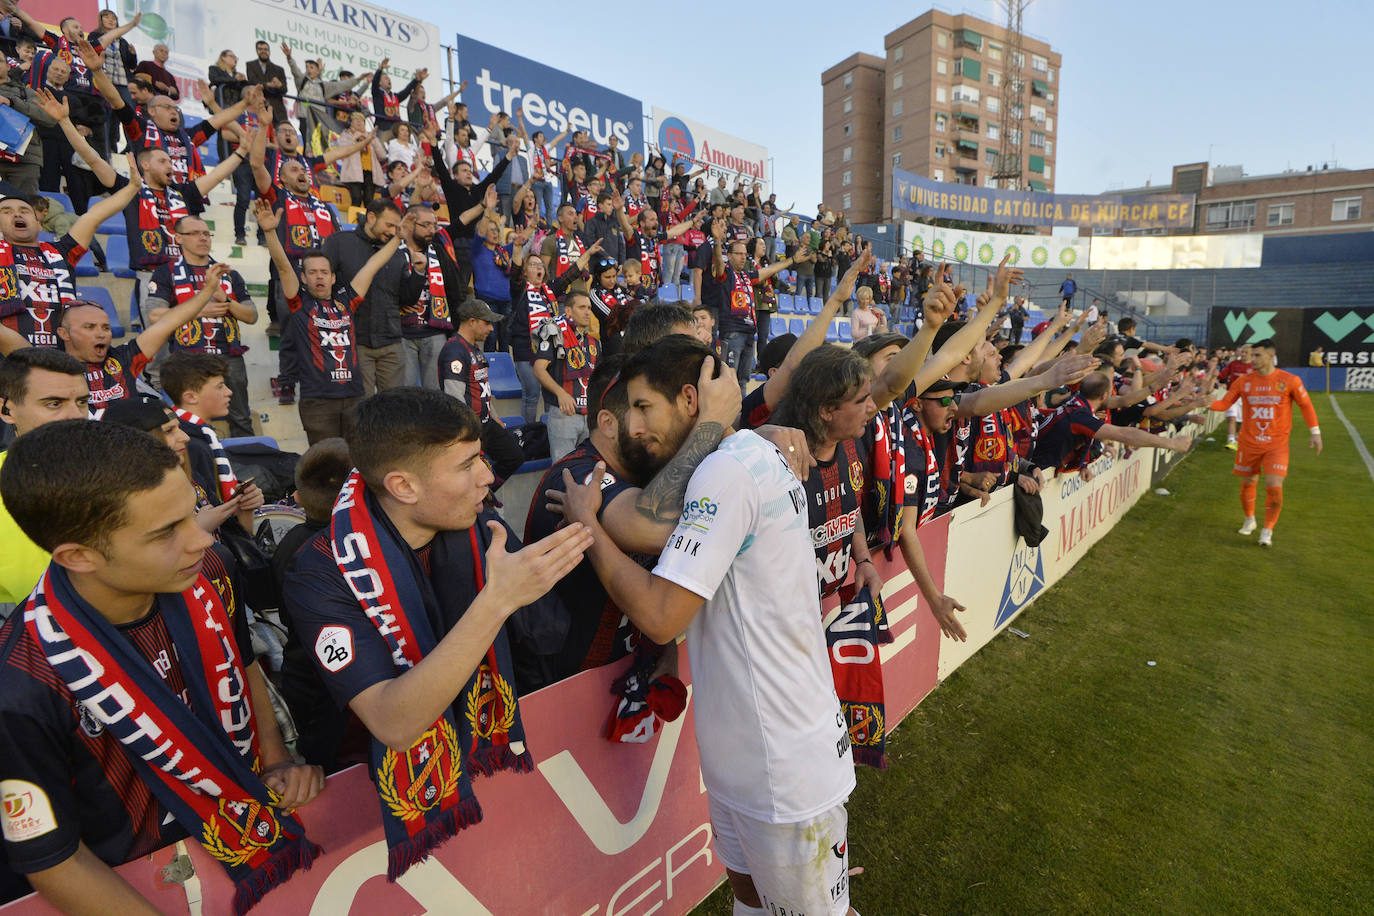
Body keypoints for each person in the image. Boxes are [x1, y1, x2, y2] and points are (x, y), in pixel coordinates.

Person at [559, 336, 858, 916]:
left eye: (644, 406)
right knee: (748, 897)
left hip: (782, 762)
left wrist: (588, 529)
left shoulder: (727, 472)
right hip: (744, 754)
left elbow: (659, 612)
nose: (634, 423)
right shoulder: (741, 455)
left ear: (690, 399)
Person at [0, 420, 323, 912]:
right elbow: (51, 858)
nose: (201, 541)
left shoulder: (209, 572)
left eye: (191, 515)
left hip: (252, 827)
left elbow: (245, 663)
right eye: (166, 532)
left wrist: (277, 760)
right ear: (79, 556)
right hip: (140, 881)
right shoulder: (23, 683)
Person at [279, 388, 592, 868]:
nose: (488, 476)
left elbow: (546, 640)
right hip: (370, 796)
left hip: (484, 760)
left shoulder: (478, 529)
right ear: (404, 486)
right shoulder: (319, 573)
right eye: (467, 465)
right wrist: (498, 602)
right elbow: (394, 722)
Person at [257, 199, 400, 443]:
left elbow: (373, 265)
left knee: (356, 459)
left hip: (354, 396)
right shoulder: (299, 303)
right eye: (312, 272)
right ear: (303, 278)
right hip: (318, 401)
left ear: (334, 277)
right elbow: (282, 268)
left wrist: (398, 238)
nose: (319, 277)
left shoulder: (347, 300)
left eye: (324, 272)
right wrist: (270, 232)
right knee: (325, 464)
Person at [0, 122, 133, 345]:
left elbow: (93, 216)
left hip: (62, 356)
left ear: (39, 222)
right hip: (10, 363)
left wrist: (132, 187)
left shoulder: (61, 252)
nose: (17, 215)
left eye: (24, 210)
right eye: (6, 211)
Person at [144, 216, 258, 436]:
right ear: (178, 238)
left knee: (241, 419)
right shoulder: (165, 272)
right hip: (187, 358)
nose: (203, 238)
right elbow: (154, 316)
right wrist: (200, 309)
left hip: (228, 356)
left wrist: (226, 300)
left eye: (206, 233)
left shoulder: (229, 274)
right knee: (188, 423)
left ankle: (246, 467)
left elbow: (251, 315)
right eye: (195, 233)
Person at [1207, 339, 1320, 546]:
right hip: (1249, 442)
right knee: (1249, 482)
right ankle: (1250, 519)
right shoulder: (1243, 381)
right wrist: (1204, 403)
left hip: (1276, 444)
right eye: (1252, 355)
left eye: (1257, 355)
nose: (1252, 359)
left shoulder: (1289, 380)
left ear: (1270, 355)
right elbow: (1224, 404)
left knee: (1274, 485)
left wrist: (1315, 432)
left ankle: (1267, 530)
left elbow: (1306, 405)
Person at [0, 348, 90, 606]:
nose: (75, 415)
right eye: (54, 403)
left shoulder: (128, 473)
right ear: (7, 410)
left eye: (82, 402)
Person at [320, 198, 423, 394]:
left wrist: (419, 273)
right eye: (389, 225)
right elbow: (323, 288)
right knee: (361, 406)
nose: (393, 231)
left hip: (391, 342)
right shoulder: (339, 242)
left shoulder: (398, 252)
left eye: (396, 226)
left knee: (394, 405)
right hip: (353, 341)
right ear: (371, 217)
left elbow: (406, 298)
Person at [1031, 371, 1193, 478]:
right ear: (1105, 395)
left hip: (1038, 466)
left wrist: (1156, 385)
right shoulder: (1079, 416)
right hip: (1037, 470)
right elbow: (1124, 434)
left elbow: (1125, 400)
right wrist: (1171, 443)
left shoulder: (1077, 403)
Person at [438, 298, 524, 486]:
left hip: (486, 423)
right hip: (470, 427)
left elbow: (482, 387)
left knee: (514, 456)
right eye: (487, 323)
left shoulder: (475, 349)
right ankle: (481, 500)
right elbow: (454, 398)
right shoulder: (455, 350)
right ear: (472, 322)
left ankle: (488, 493)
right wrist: (469, 430)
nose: (491, 329)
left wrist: (494, 415)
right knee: (472, 475)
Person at [534, 290, 600, 460]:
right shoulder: (555, 333)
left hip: (588, 414)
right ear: (568, 311)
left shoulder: (594, 343)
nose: (587, 312)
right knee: (563, 472)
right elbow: (539, 369)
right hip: (564, 415)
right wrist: (561, 393)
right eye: (582, 307)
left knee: (585, 470)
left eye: (589, 307)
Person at [246, 40, 289, 124]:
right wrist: (269, 84)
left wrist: (279, 85)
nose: (263, 51)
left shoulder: (279, 69)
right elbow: (252, 81)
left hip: (277, 110)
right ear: (257, 51)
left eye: (265, 49)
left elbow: (284, 89)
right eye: (260, 49)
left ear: (269, 51)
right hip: (258, 107)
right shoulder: (250, 65)